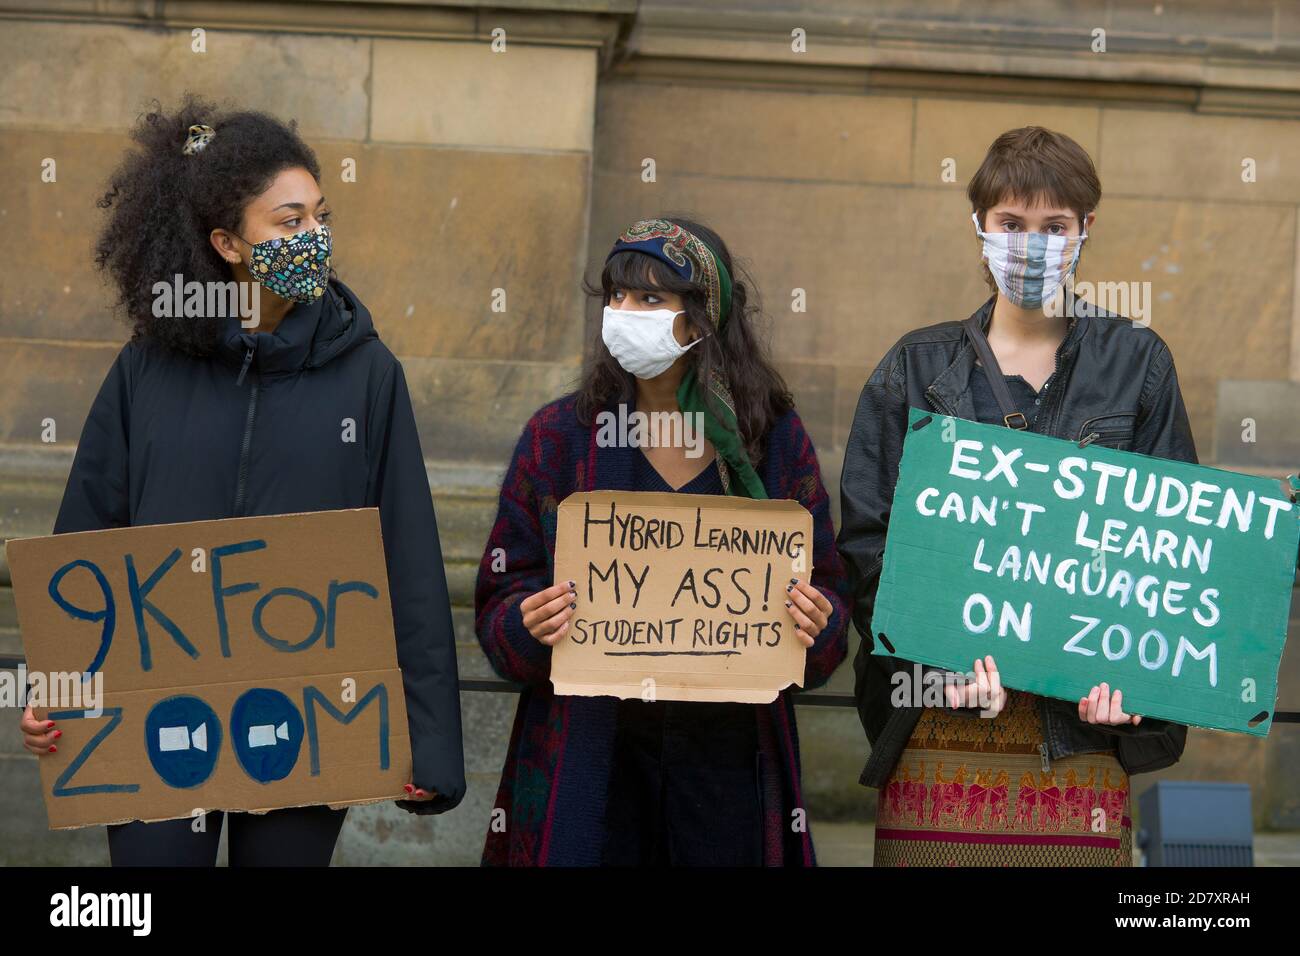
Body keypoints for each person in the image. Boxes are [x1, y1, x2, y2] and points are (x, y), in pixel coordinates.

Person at [17, 95, 466, 865]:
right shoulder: (148, 367)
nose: (314, 237)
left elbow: (410, 558)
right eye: (288, 222)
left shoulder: (369, 374)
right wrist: (56, 682)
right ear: (227, 242)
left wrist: (429, 744)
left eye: (320, 216)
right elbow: (87, 537)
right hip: (156, 719)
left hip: (307, 722)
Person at [838, 127, 1194, 866]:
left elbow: (1171, 551)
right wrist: (938, 662)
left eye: (1054, 227)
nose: (1031, 245)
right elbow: (869, 541)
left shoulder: (1139, 365)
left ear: (1085, 229)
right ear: (980, 225)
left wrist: (1131, 680)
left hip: (1082, 739)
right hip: (938, 730)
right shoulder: (916, 365)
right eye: (1012, 224)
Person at [474, 217, 851, 866]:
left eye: (650, 299)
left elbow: (829, 615)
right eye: (616, 296)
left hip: (729, 769)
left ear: (703, 317)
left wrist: (817, 624)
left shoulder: (772, 441)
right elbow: (499, 599)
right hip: (593, 763)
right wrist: (525, 622)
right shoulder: (558, 437)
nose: (624, 313)